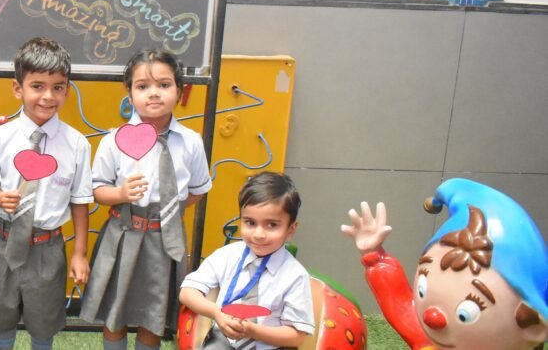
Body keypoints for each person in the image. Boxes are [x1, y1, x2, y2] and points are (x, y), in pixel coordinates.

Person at [80, 48, 213, 350]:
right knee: (115, 315)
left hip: (164, 241)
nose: (154, 93)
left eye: (164, 85)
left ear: (179, 90)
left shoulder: (190, 142)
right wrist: (120, 194)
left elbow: (198, 189)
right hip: (122, 234)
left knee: (153, 316)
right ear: (129, 92)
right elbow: (97, 190)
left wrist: (170, 209)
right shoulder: (113, 140)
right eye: (142, 86)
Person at [0, 37, 93, 350]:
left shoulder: (77, 144)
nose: (48, 96)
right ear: (18, 88)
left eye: (58, 87)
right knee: (1, 317)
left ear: (67, 90)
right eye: (37, 86)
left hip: (47, 248)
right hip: (4, 243)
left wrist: (79, 253)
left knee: (44, 323)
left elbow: (80, 201)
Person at [342, 179, 548, 350]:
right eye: (422, 289)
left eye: (467, 312)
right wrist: (374, 255)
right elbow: (400, 302)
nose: (432, 317)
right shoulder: (428, 342)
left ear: (533, 326)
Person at [180, 172, 314, 350]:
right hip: (223, 340)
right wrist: (216, 313)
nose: (259, 234)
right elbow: (187, 292)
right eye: (250, 222)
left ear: (291, 229)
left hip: (270, 345)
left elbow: (296, 336)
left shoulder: (295, 275)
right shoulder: (227, 256)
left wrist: (252, 331)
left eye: (272, 225)